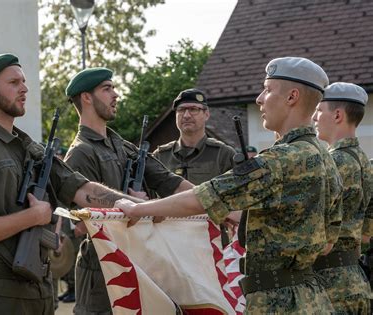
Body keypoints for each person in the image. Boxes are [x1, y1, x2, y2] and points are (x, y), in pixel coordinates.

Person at [115, 57, 344, 313]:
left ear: (292, 97)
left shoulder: (279, 160)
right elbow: (327, 243)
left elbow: (201, 198)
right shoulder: (326, 158)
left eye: (267, 90)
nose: (259, 98)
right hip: (310, 295)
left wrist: (137, 209)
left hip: (276, 301)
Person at [0, 53, 148, 315]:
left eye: (24, 82)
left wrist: (133, 205)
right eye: (14, 82)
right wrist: (31, 217)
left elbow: (81, 189)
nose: (25, 88)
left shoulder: (30, 149)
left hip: (38, 291)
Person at [64, 67, 194, 314]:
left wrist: (214, 202)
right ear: (86, 98)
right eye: (107, 89)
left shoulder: (122, 146)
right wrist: (138, 207)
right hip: (101, 272)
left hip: (136, 260)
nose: (116, 94)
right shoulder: (80, 153)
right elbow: (81, 225)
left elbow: (169, 181)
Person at [312, 82, 373, 313]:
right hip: (355, 279)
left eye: (319, 111)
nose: (315, 118)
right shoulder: (365, 163)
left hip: (329, 285)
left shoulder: (332, 163)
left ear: (337, 115)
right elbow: (366, 235)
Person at [153, 88, 236, 245]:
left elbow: (238, 201)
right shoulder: (160, 156)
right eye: (181, 110)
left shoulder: (223, 154)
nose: (186, 115)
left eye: (193, 109)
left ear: (206, 114)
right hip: (169, 241)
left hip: (212, 243)